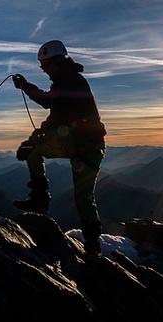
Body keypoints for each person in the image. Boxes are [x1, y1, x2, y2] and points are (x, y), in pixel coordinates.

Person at [12, 40, 106, 258]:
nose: (44, 71)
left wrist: (33, 140)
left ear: (55, 62)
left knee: (83, 197)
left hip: (87, 146)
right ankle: (39, 199)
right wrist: (26, 86)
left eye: (45, 66)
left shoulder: (71, 83)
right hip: (80, 144)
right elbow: (49, 101)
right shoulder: (66, 81)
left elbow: (57, 118)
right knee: (82, 196)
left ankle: (93, 246)